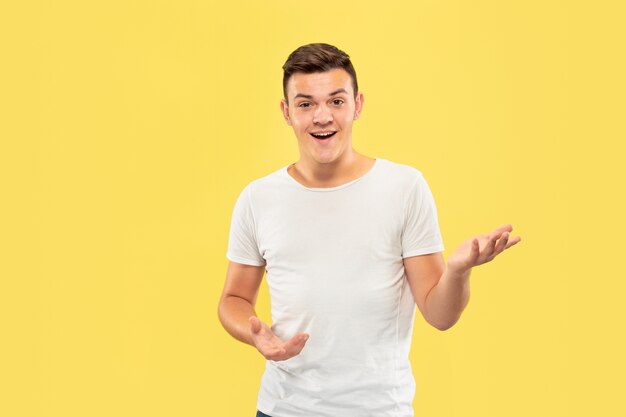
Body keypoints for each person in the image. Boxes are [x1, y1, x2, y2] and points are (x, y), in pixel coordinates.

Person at [218, 43, 521, 417]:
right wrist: (255, 334)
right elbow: (233, 299)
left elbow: (441, 316)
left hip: (379, 410)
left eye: (336, 101)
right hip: (283, 409)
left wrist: (459, 271)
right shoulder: (258, 198)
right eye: (306, 103)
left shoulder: (404, 188)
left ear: (357, 105)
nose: (322, 116)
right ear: (287, 112)